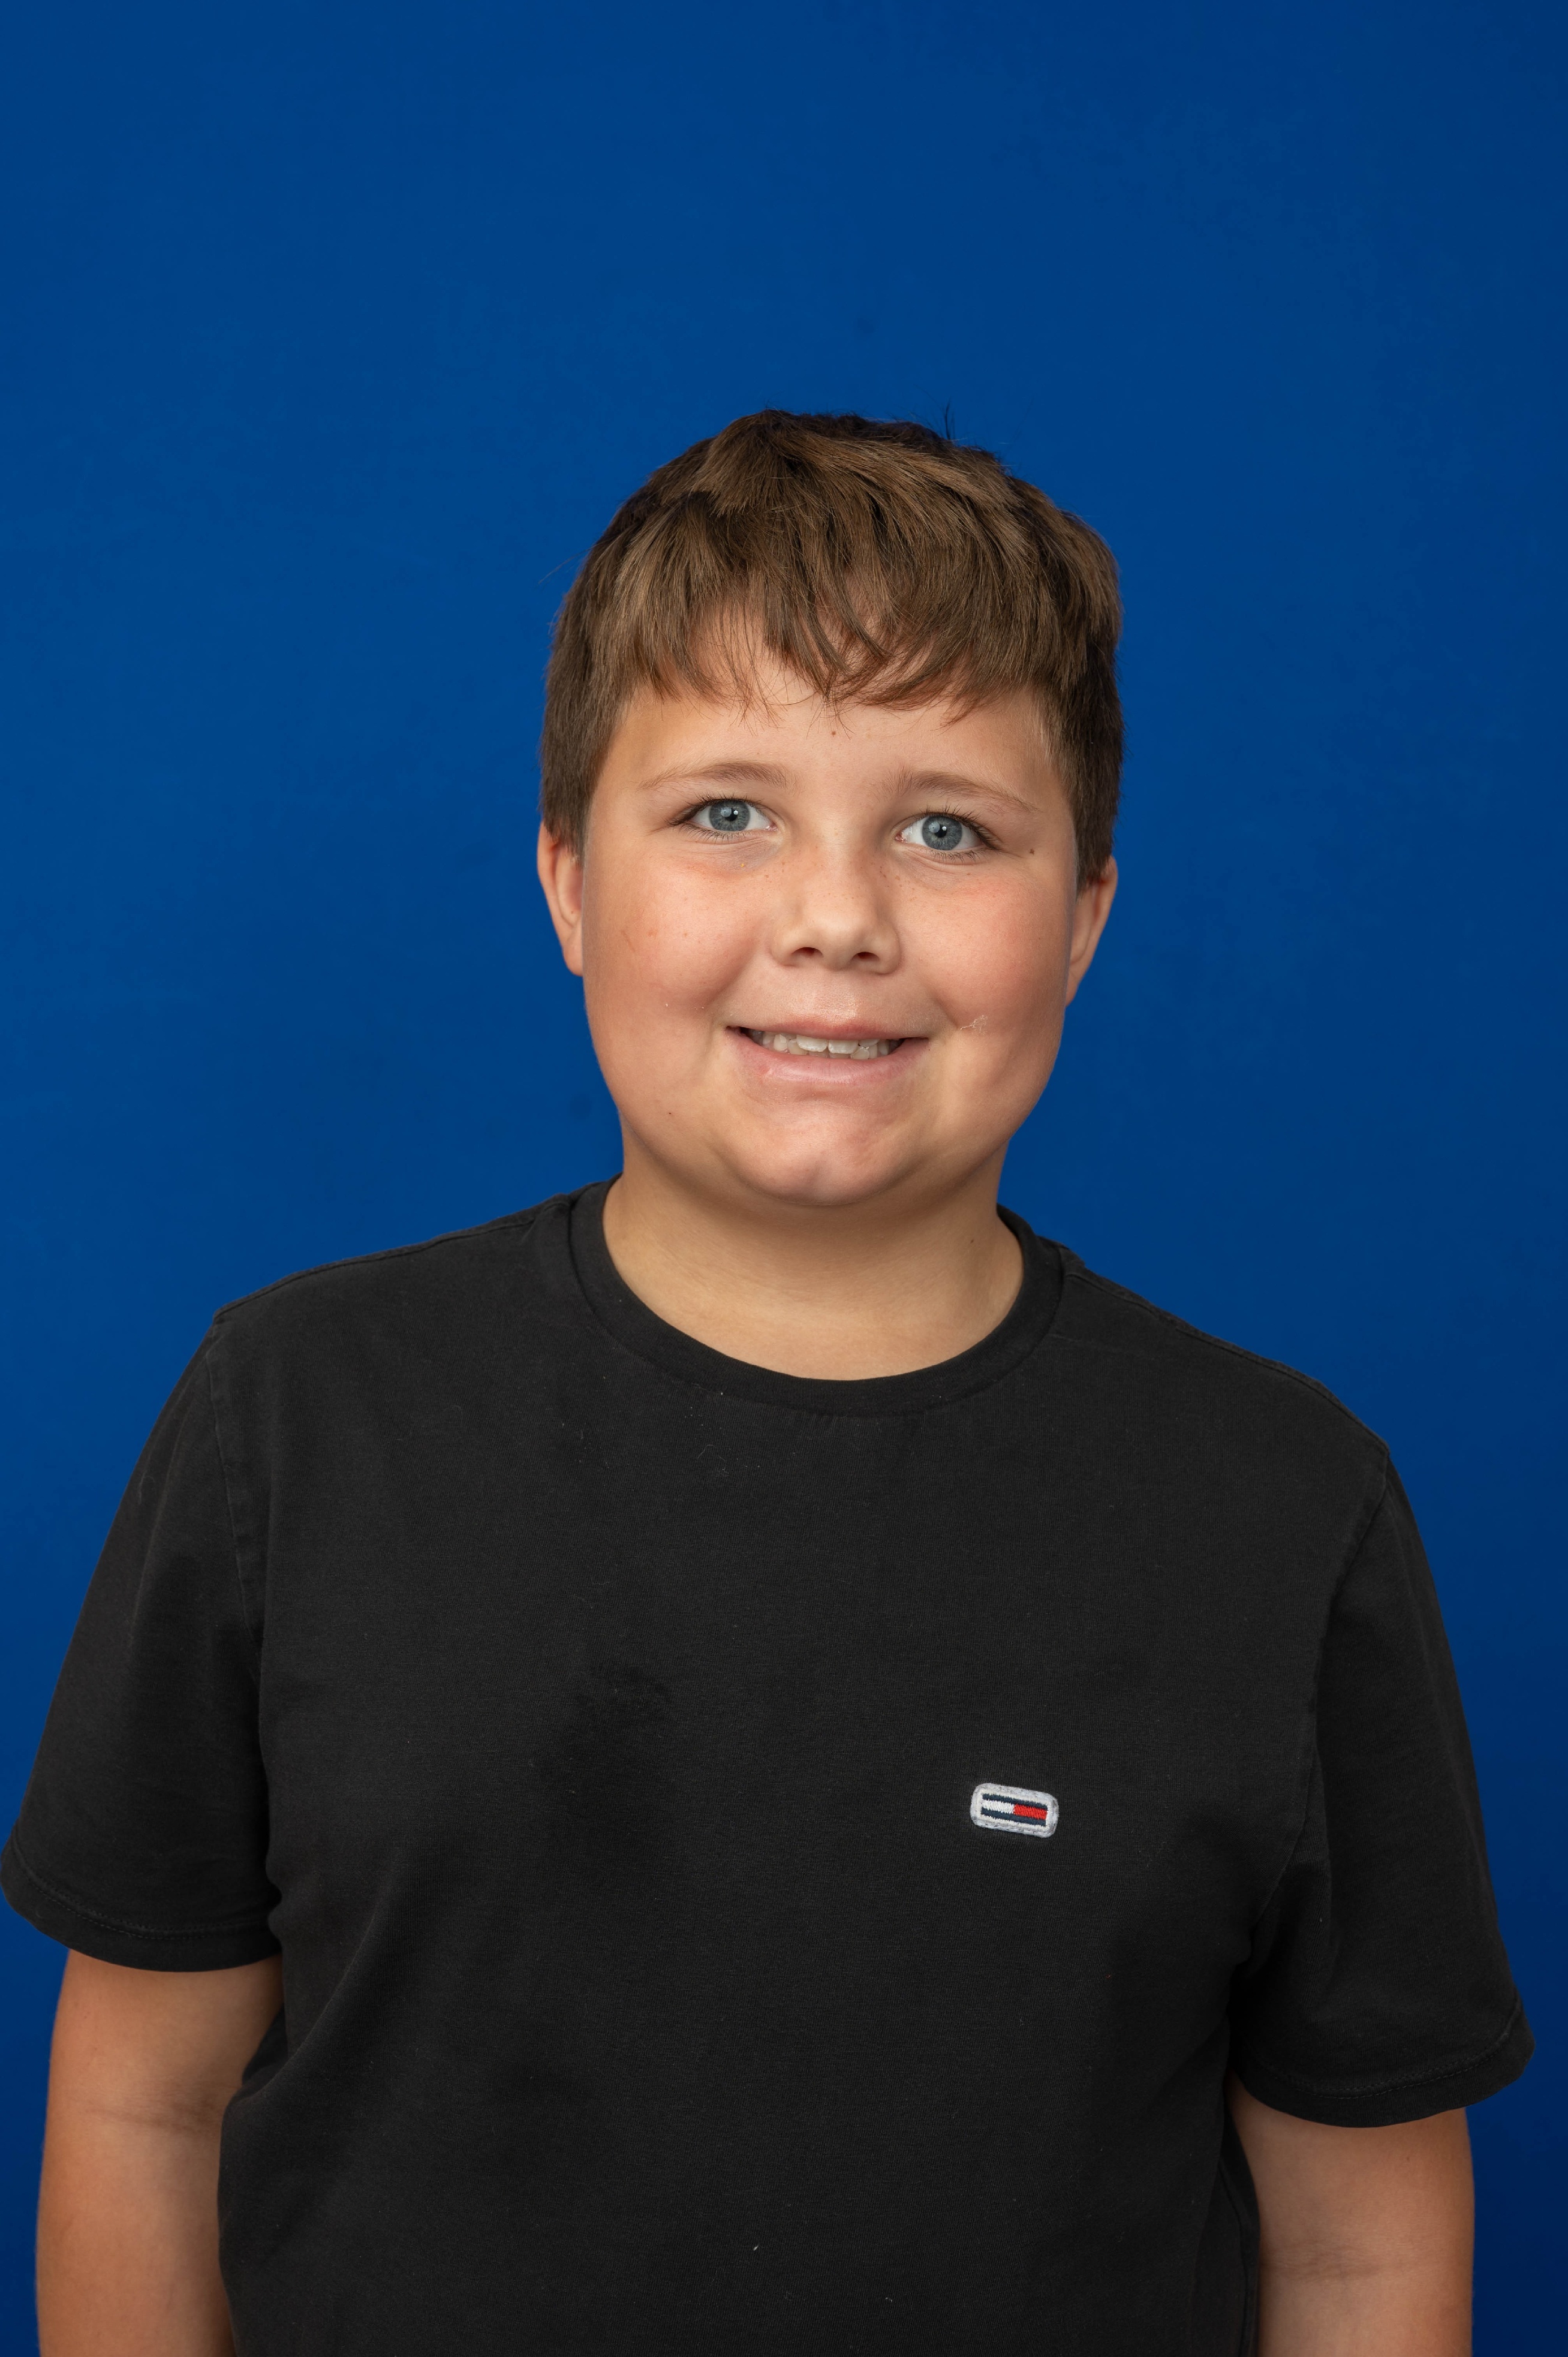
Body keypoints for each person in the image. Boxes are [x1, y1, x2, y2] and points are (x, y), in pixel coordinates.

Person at [4, 411, 1530, 2357]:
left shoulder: (1281, 1508)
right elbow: (143, 2108)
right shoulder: (294, 1418)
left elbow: (1362, 2250)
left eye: (948, 828)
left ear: (1085, 916)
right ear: (568, 881)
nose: (835, 914)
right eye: (728, 811)